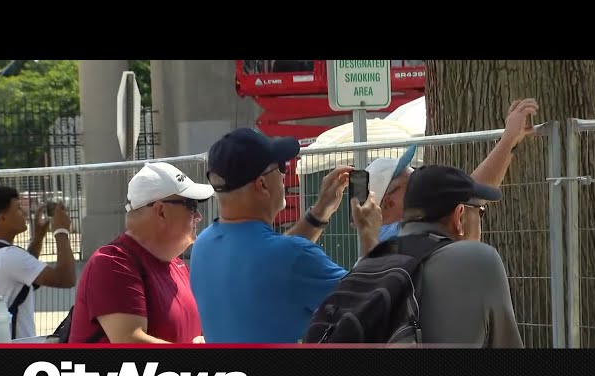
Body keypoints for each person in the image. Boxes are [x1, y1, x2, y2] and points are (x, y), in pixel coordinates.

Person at [190, 127, 381, 343]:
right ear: (261, 184)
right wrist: (369, 233)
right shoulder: (292, 256)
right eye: (280, 167)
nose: (284, 174)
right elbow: (373, 301)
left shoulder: (203, 245)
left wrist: (319, 213)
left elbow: (270, 259)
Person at [68, 162, 214, 343]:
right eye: (191, 205)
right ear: (161, 211)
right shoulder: (113, 263)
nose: (198, 216)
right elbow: (129, 340)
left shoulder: (177, 266)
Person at [367, 98, 539, 241]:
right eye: (411, 180)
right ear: (389, 202)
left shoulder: (384, 237)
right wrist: (508, 140)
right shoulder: (402, 235)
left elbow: (472, 189)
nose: (420, 178)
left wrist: (510, 141)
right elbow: (473, 189)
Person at [397, 164, 524, 347]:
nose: (481, 220)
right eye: (480, 212)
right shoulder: (478, 260)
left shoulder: (371, 260)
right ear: (459, 216)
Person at [0, 185, 76, 339]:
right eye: (18, 209)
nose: (24, 213)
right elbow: (65, 278)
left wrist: (38, 238)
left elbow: (24, 277)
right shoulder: (10, 256)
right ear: (2, 218)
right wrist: (61, 231)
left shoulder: (0, 254)